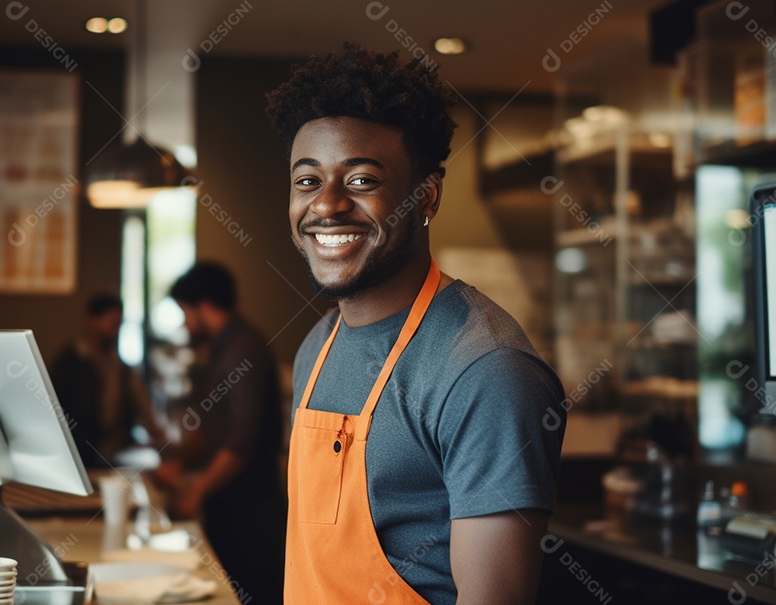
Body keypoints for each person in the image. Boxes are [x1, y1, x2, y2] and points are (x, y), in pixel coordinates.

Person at [264, 43, 567, 604]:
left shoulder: (486, 371)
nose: (326, 206)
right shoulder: (317, 345)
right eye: (307, 181)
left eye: (361, 181)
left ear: (425, 196)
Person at [160, 262, 285, 604]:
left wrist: (195, 492)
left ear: (201, 306)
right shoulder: (221, 347)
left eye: (185, 311)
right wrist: (179, 463)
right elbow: (211, 425)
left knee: (249, 594)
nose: (185, 322)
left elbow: (240, 442)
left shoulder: (243, 349)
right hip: (229, 505)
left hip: (251, 510)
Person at [49, 293, 163, 468]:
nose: (115, 330)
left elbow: (141, 402)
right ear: (91, 320)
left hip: (116, 454)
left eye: (118, 325)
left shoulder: (120, 366)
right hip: (80, 456)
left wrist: (157, 433)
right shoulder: (69, 364)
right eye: (111, 324)